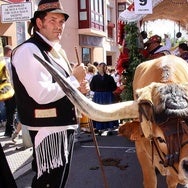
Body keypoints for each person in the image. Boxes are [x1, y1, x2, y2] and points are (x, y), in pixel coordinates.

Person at [11, 0, 88, 187]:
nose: (59, 26)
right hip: (48, 131)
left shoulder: (54, 50)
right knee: (48, 183)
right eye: (53, 20)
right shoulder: (28, 50)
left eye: (61, 22)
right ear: (39, 23)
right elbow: (42, 94)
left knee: (57, 182)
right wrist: (74, 81)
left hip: (61, 127)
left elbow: (63, 89)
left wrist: (79, 90)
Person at [90, 62, 118, 134]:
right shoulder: (95, 77)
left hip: (108, 96)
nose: (102, 68)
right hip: (98, 96)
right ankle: (99, 127)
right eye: (101, 67)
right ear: (98, 68)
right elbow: (92, 87)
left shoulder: (110, 77)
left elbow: (114, 87)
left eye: (104, 67)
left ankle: (110, 126)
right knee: (98, 111)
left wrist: (107, 91)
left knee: (109, 110)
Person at [3, 45, 16, 137]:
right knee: (13, 110)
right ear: (9, 52)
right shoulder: (10, 62)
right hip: (12, 89)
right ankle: (11, 130)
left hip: (4, 90)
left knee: (8, 110)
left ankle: (8, 130)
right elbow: (13, 77)